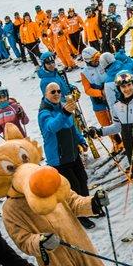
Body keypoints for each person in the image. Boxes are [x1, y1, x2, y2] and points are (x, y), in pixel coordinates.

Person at [88, 73, 133, 191]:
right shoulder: (117, 106)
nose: (127, 89)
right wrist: (100, 131)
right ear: (119, 88)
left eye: (129, 85)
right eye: (124, 87)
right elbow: (118, 127)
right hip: (131, 148)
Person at [37, 79, 94, 228]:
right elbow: (52, 127)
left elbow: (72, 128)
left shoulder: (61, 107)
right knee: (72, 186)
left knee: (82, 179)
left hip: (72, 153)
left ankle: (89, 207)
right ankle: (80, 214)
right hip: (59, 158)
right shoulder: (44, 112)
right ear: (45, 94)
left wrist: (80, 140)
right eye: (53, 92)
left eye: (58, 91)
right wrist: (64, 112)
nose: (56, 94)